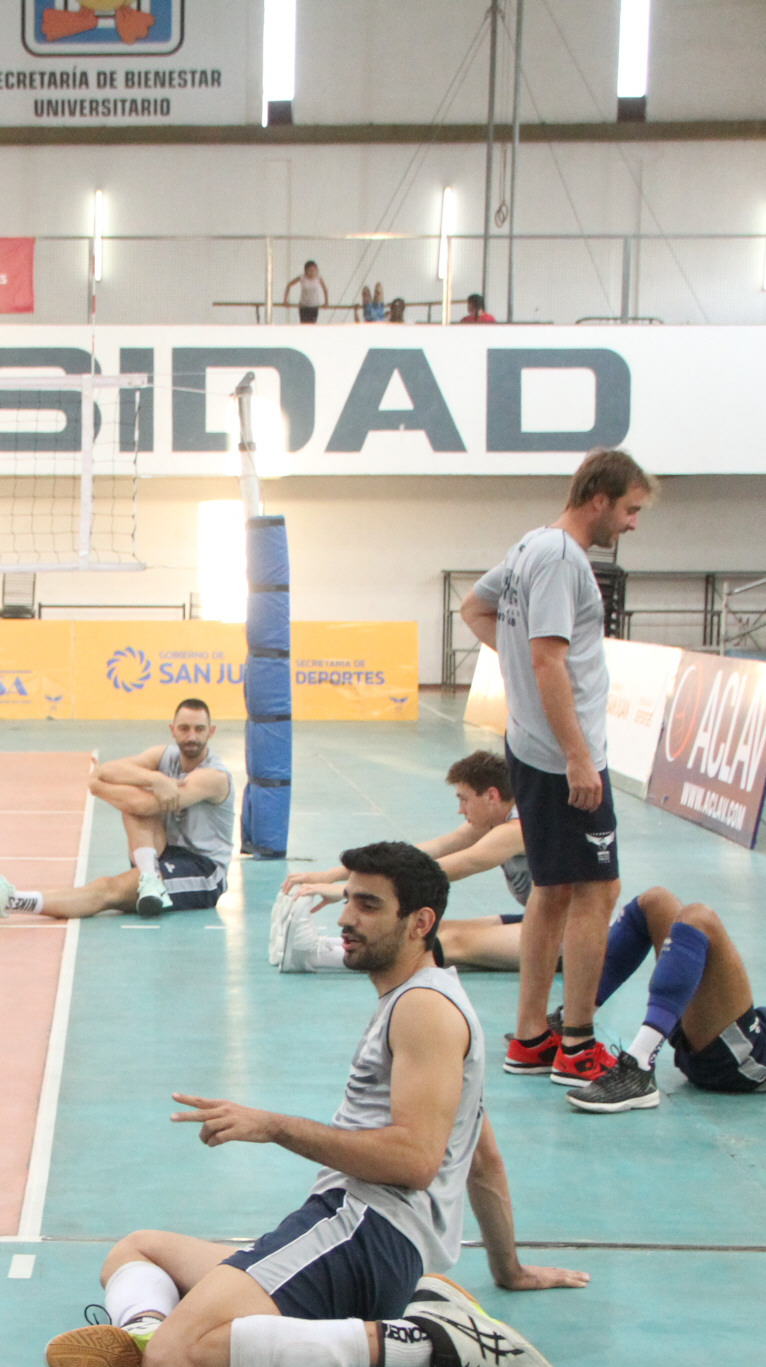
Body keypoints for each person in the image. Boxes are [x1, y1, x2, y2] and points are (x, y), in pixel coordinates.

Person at [44, 843, 571, 1367]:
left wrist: (275, 1127)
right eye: (348, 900)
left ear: (420, 923)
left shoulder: (423, 1010)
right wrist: (508, 1270)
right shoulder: (428, 999)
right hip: (370, 1243)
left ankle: (426, 1340)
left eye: (368, 905)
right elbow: (480, 1156)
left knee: (177, 1366)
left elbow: (416, 1163)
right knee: (137, 1250)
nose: (345, 918)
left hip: (364, 1231)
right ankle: (146, 1333)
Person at [460, 449, 655, 1089]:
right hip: (560, 755)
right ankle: (577, 1045)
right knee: (598, 892)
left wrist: (517, 661)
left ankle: (529, 1038)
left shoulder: (529, 546)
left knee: (552, 890)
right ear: (599, 498)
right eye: (630, 509)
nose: (632, 523)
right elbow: (547, 659)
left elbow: (474, 609)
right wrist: (577, 755)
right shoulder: (563, 559)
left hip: (530, 745)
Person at [0, 697, 234, 923]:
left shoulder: (214, 777)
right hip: (161, 855)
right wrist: (155, 779)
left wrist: (98, 787)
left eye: (199, 729)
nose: (191, 736)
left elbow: (141, 803)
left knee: (108, 889)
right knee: (132, 798)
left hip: (203, 870)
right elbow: (107, 771)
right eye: (184, 728)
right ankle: (150, 878)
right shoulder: (164, 757)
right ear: (172, 730)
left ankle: (9, 899)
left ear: (211, 732)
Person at [272, 750, 531, 973]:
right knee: (431, 931)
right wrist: (333, 874)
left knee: (454, 942)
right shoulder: (493, 819)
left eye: (464, 799)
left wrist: (350, 892)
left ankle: (315, 958)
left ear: (491, 796)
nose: (460, 810)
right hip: (538, 916)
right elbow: (429, 851)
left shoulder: (518, 828)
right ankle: (325, 946)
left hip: (556, 934)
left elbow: (449, 868)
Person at [567, 888, 766, 1112]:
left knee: (700, 919)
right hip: (740, 1031)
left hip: (743, 1058)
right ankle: (571, 1030)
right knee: (656, 902)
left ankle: (639, 1065)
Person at [283, 259, 328, 324]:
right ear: (306, 270)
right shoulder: (302, 277)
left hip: (314, 306)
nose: (312, 272)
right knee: (304, 325)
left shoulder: (318, 278)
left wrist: (326, 302)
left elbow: (325, 289)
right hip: (304, 306)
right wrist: (285, 301)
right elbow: (289, 285)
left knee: (312, 325)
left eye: (314, 270)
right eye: (310, 270)